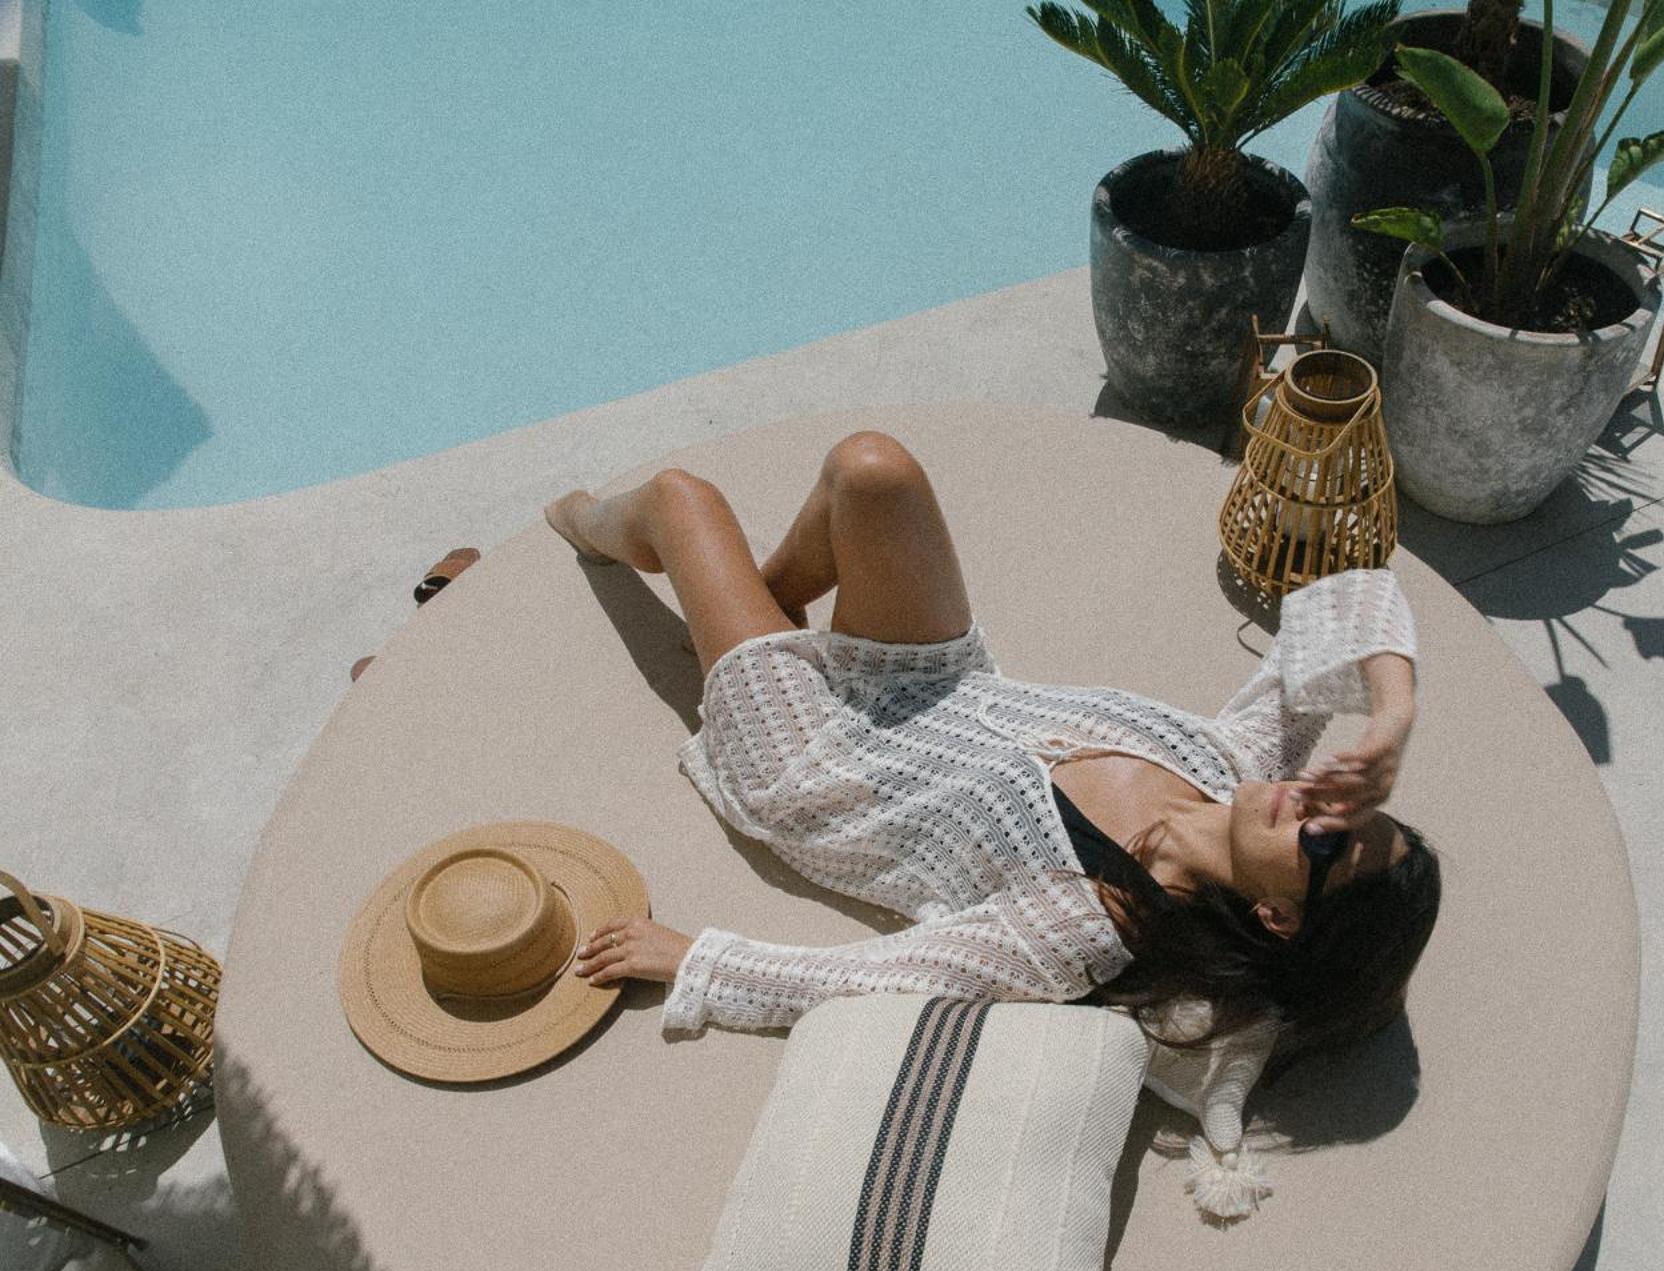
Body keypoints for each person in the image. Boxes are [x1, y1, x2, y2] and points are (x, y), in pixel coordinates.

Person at [545, 430, 1441, 1217]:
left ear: (1279, 915)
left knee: (681, 499)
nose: (1315, 801)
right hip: (936, 682)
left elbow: (883, 979)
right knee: (872, 469)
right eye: (1349, 804)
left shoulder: (1093, 917)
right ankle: (759, 617)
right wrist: (1391, 716)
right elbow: (1348, 595)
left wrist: (696, 959)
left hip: (821, 762)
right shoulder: (1241, 764)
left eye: (1326, 840)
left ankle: (589, 526)